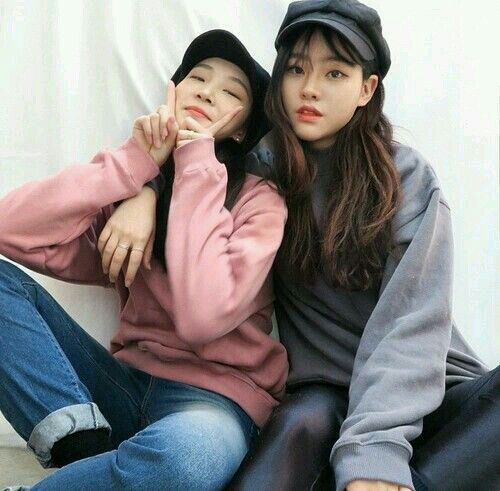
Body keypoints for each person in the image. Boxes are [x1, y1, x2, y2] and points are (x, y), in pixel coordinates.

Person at [97, 2, 499, 490]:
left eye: (335, 73)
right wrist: (143, 191)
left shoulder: (406, 178)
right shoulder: (261, 173)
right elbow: (196, 171)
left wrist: (374, 449)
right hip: (323, 397)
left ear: (366, 89)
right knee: (291, 435)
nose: (310, 88)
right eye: (296, 69)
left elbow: (411, 325)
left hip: (431, 395)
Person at [0, 29, 288, 490]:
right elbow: (10, 229)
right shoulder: (133, 192)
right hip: (121, 388)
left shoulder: (262, 202)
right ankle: (81, 447)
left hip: (211, 405)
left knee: (185, 462)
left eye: (231, 92)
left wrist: (193, 157)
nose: (207, 93)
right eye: (198, 78)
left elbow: (200, 317)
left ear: (241, 129)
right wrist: (136, 166)